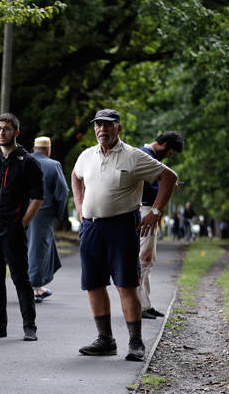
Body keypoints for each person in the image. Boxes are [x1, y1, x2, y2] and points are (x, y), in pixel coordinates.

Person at [71, 109, 177, 361]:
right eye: (98, 125)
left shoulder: (134, 156)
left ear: (118, 128)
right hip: (91, 228)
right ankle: (105, 339)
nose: (102, 130)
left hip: (122, 227)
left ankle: (136, 342)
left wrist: (155, 211)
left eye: (108, 125)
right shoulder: (86, 155)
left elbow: (169, 177)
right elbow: (76, 176)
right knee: (94, 284)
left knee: (126, 284)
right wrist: (79, 202)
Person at [0, 113, 44, 341]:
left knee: (21, 279)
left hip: (11, 230)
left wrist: (21, 224)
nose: (2, 132)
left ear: (16, 132)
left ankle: (29, 327)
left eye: (7, 129)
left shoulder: (28, 162)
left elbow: (38, 197)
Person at [138, 131, 184, 319]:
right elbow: (147, 188)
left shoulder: (148, 157)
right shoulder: (146, 157)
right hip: (146, 210)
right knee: (143, 258)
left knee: (149, 259)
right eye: (170, 153)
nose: (169, 156)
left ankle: (145, 303)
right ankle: (139, 305)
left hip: (150, 211)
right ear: (164, 145)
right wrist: (168, 187)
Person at [27, 136, 69, 303]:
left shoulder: (23, 161)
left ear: (34, 148)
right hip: (42, 212)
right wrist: (59, 213)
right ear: (48, 150)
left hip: (20, 211)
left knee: (34, 247)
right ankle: (35, 288)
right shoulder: (53, 165)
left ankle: (38, 285)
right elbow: (63, 191)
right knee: (38, 249)